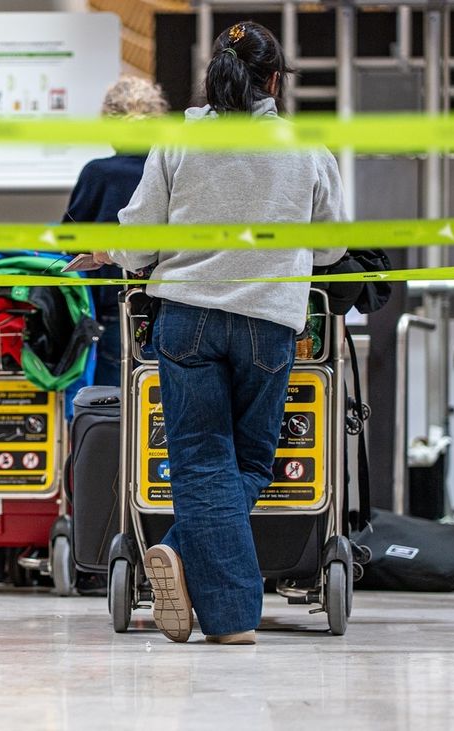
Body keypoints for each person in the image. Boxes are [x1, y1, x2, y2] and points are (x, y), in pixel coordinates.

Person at [100, 21, 345, 644]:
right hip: (269, 322)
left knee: (201, 460)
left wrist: (110, 253)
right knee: (253, 462)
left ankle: (184, 556)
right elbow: (331, 247)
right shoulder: (306, 147)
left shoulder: (179, 141)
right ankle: (224, 607)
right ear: (274, 81)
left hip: (187, 318)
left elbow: (140, 242)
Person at [63, 76, 170, 386]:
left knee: (112, 399)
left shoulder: (97, 174)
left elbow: (69, 240)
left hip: (114, 306)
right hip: (170, 306)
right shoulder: (171, 171)